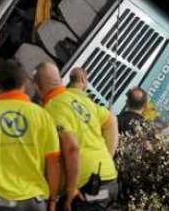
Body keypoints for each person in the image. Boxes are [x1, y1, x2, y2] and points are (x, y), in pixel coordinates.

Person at [0, 59, 61, 211]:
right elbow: (53, 163)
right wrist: (53, 200)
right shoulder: (42, 115)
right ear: (26, 83)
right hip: (34, 202)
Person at [34, 62, 119, 211]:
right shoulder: (80, 98)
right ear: (60, 79)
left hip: (86, 189)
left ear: (38, 88)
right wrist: (105, 156)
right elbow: (111, 120)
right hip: (110, 181)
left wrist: (71, 188)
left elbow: (72, 147)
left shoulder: (50, 110)